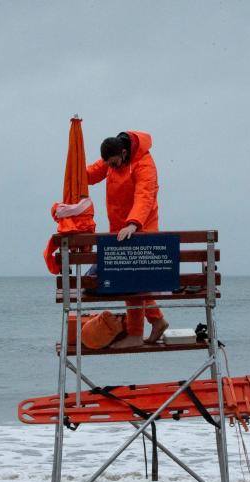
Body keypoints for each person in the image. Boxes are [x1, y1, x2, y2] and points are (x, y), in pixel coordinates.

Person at [87, 131, 169, 348]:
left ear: (124, 152)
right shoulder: (113, 157)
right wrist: (74, 172)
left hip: (141, 229)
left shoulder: (145, 164)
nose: (111, 168)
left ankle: (136, 333)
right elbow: (92, 173)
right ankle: (157, 320)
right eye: (109, 165)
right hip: (121, 232)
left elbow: (145, 196)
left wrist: (133, 223)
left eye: (114, 164)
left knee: (129, 278)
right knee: (132, 279)